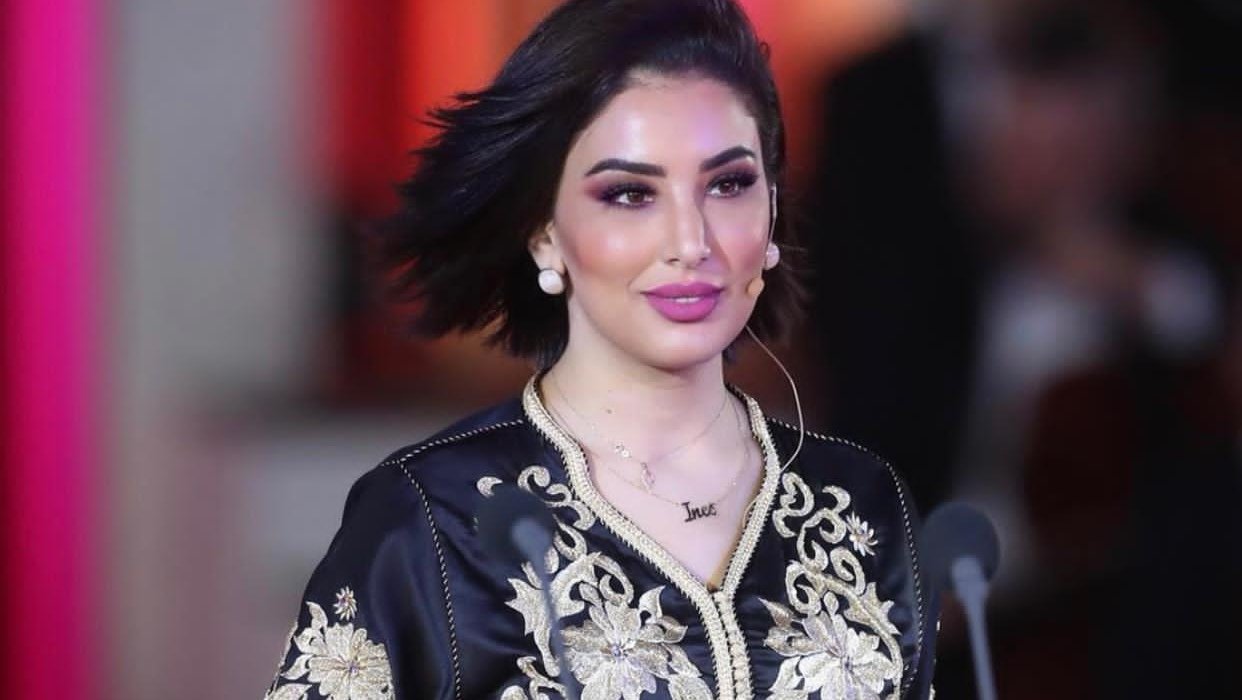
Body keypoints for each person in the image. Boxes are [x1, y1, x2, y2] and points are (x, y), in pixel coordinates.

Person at [263, 1, 937, 698]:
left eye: (728, 184)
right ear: (544, 232)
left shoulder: (860, 503)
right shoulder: (432, 518)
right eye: (629, 194)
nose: (691, 243)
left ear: (772, 209)